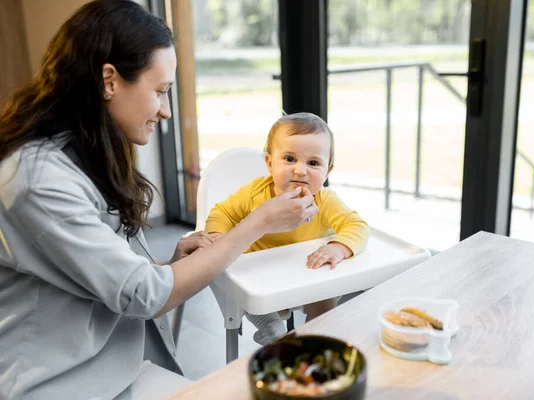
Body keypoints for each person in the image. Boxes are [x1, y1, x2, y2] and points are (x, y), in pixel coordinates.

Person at [0, 1, 318, 399]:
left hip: (115, 364)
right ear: (109, 81)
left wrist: (170, 266)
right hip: (60, 384)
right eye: (161, 91)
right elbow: (144, 295)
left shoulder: (85, 152)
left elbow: (109, 280)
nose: (166, 111)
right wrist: (258, 223)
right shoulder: (35, 179)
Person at [204, 112, 369, 345]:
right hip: (262, 270)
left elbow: (357, 225)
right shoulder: (254, 193)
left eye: (313, 163)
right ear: (270, 163)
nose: (300, 170)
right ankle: (269, 325)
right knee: (245, 282)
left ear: (327, 171)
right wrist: (216, 235)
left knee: (326, 292)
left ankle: (317, 330)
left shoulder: (325, 200)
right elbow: (223, 213)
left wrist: (338, 247)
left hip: (306, 272)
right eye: (290, 159)